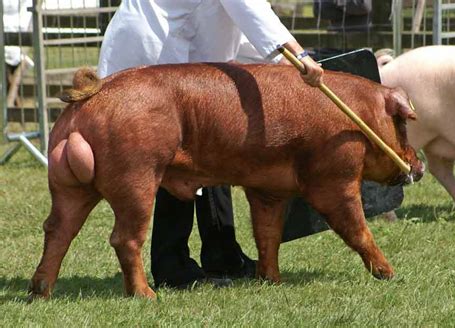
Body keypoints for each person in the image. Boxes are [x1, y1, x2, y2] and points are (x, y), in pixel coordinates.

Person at [97, 0, 323, 289]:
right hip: (157, 49)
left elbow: (235, 28)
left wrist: (291, 61)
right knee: (177, 159)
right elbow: (248, 8)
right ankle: (173, 267)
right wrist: (295, 54)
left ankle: (222, 254)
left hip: (173, 45)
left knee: (212, 150)